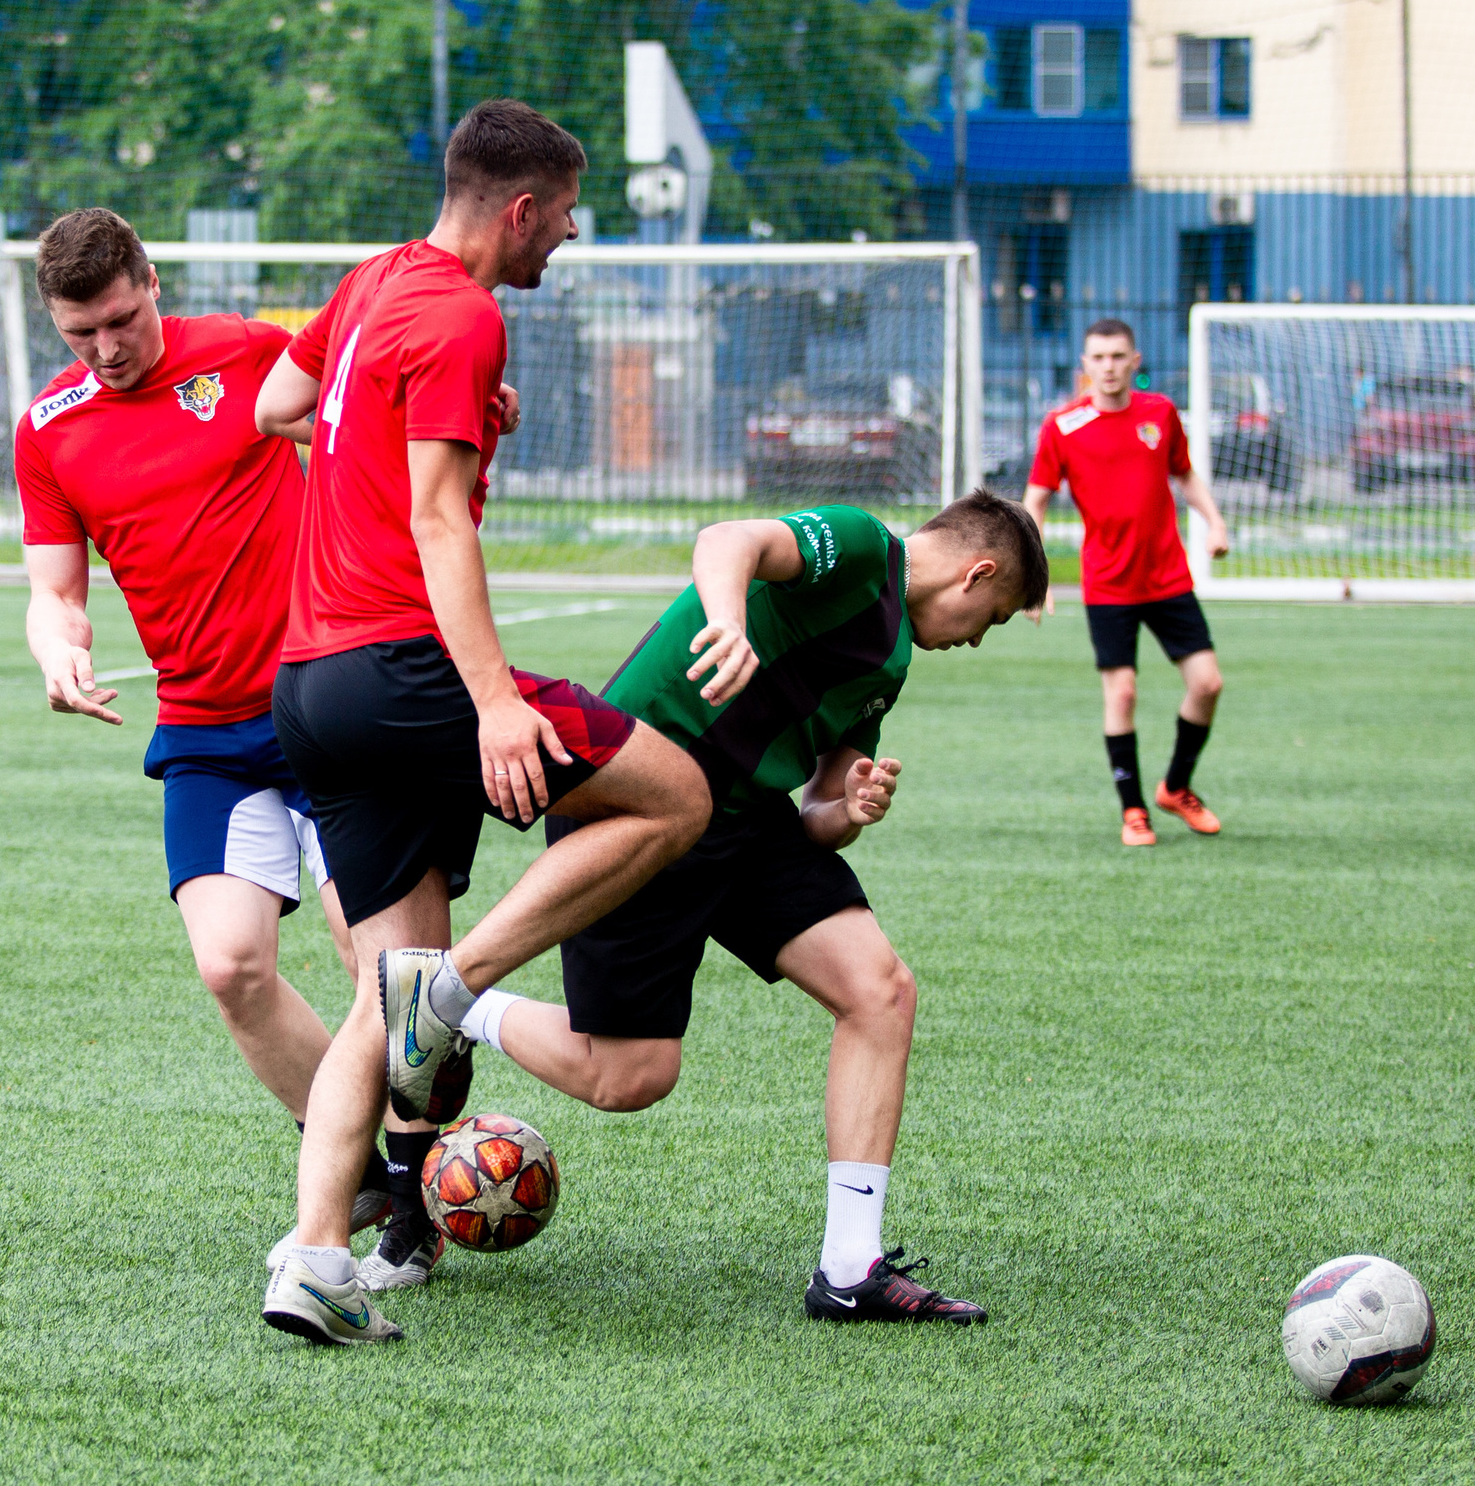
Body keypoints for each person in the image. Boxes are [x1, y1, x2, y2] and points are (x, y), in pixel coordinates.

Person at [252, 100, 712, 1345]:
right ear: (519, 209)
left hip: (310, 685)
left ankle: (315, 1259)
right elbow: (436, 520)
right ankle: (458, 995)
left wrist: (417, 424)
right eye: (564, 214)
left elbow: (279, 407)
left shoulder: (371, 283)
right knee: (676, 796)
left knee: (377, 994)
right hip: (406, 669)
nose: (569, 235)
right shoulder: (465, 313)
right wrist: (497, 701)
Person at [448, 493, 1047, 1324]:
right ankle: (457, 1003)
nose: (978, 638)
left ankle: (851, 1268)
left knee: (880, 991)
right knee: (629, 1076)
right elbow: (729, 538)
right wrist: (729, 624)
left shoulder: (890, 666)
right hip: (640, 806)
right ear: (977, 573)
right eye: (994, 617)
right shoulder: (863, 547)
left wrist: (851, 808)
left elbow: (818, 812)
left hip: (747, 820)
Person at [13, 207, 413, 1250]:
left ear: (152, 282)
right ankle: (368, 1178)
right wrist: (58, 649)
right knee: (231, 966)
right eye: (80, 333)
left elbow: (367, 415)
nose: (107, 348)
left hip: (321, 703)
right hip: (201, 728)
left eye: (122, 319)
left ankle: (421, 1183)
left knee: (375, 961)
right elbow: (56, 592)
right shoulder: (48, 429)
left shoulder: (241, 352)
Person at [1020, 318, 1231, 848]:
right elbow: (1036, 499)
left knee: (1207, 684)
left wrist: (1215, 522)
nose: (1108, 367)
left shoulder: (1160, 413)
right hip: (1109, 583)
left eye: (1118, 356)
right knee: (1123, 693)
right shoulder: (1062, 426)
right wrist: (1034, 574)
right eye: (1098, 357)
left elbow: (1184, 474)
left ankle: (1175, 788)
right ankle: (1133, 811)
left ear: (1135, 361)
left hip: (1168, 577)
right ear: (1084, 366)